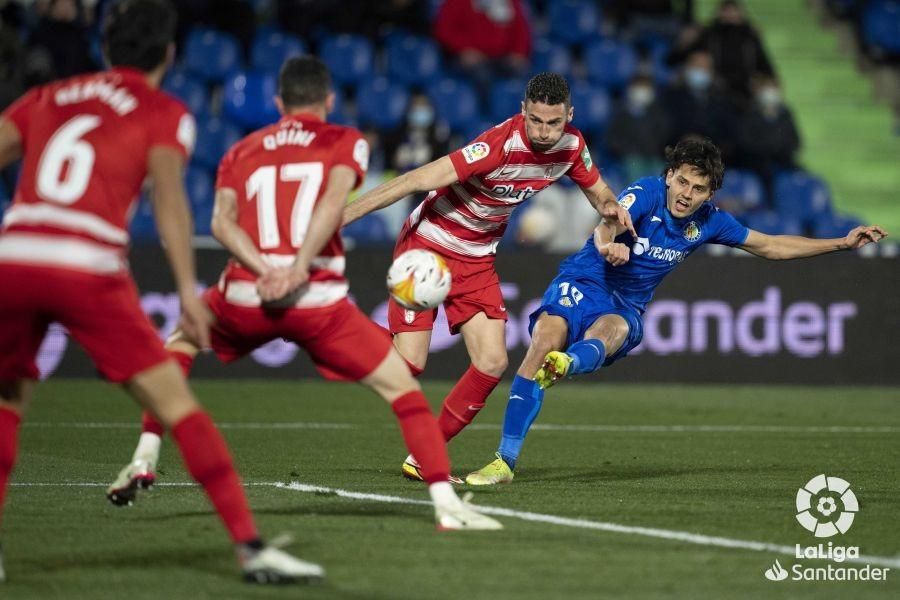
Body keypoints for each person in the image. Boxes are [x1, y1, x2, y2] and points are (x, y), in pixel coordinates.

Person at [0, 0, 324, 584]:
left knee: (5, 405)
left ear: (106, 47)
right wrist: (186, 290)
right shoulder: (163, 111)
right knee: (176, 405)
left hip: (16, 256)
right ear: (169, 55)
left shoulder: (48, 96)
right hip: (86, 261)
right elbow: (169, 199)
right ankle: (251, 550)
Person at [109, 56, 502, 532]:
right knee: (404, 389)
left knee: (180, 344)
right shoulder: (345, 141)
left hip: (245, 292)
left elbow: (220, 224)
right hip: (315, 299)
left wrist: (264, 269)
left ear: (278, 103)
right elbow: (334, 203)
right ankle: (446, 504)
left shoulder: (242, 150)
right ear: (329, 100)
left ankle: (145, 453)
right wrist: (296, 269)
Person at [466, 136, 887, 485]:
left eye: (698, 188)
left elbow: (771, 245)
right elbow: (611, 219)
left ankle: (568, 364)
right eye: (682, 182)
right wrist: (607, 243)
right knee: (541, 341)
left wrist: (840, 243)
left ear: (710, 194)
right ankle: (505, 461)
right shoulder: (647, 192)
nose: (686, 194)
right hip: (583, 281)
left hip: (625, 305)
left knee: (612, 330)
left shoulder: (709, 222)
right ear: (669, 175)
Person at [342, 72, 635, 481]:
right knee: (408, 364)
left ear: (569, 115)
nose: (545, 131)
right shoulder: (498, 146)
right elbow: (414, 180)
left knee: (493, 362)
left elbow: (601, 191)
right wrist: (338, 218)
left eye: (554, 122)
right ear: (522, 111)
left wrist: (608, 206)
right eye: (536, 120)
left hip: (476, 257)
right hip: (429, 243)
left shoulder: (572, 146)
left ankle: (424, 455)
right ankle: (335, 326)